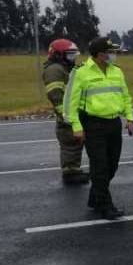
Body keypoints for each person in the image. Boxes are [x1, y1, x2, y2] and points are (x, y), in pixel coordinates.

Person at [65, 37, 133, 219]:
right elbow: (70, 103)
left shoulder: (116, 71)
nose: (113, 55)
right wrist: (76, 127)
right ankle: (105, 206)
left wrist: (130, 117)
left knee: (112, 165)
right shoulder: (80, 72)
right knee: (100, 166)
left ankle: (95, 197)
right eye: (110, 52)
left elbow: (125, 96)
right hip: (93, 124)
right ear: (100, 54)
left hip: (114, 123)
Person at [42, 38, 89, 184]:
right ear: (58, 55)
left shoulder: (64, 68)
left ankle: (74, 169)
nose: (73, 58)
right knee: (70, 144)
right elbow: (55, 95)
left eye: (74, 54)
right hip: (67, 115)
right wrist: (66, 115)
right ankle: (70, 173)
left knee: (74, 143)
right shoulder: (55, 70)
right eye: (70, 54)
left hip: (71, 113)